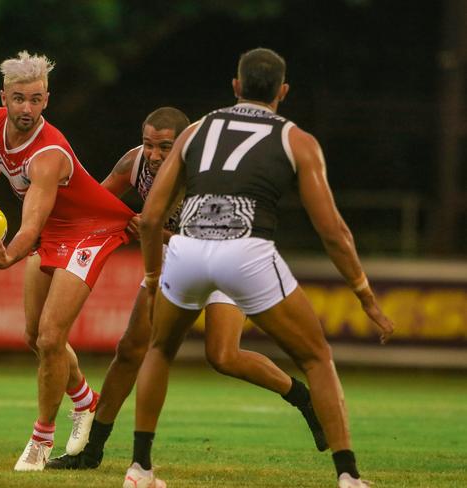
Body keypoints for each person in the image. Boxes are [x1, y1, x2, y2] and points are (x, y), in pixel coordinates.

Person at [125, 48, 395, 488]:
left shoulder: (195, 130)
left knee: (160, 350)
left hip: (189, 248)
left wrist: (154, 279)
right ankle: (348, 475)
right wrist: (364, 294)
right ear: (283, 91)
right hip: (245, 250)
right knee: (316, 356)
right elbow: (333, 231)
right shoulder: (296, 140)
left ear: (236, 86)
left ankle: (139, 469)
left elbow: (152, 217)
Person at [47, 107, 327, 471]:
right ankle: (91, 452)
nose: (154, 155)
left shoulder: (203, 174)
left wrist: (148, 228)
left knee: (223, 356)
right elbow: (97, 201)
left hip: (222, 252)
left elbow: (204, 238)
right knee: (131, 350)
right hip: (173, 258)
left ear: (182, 144)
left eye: (164, 146)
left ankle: (303, 399)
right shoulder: (134, 163)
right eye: (149, 144)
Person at [0, 51, 136, 472]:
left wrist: (6, 257)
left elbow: (29, 227)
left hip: (87, 231)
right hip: (52, 231)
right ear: (3, 98)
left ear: (46, 100)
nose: (26, 108)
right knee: (34, 336)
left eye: (35, 99)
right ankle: (86, 402)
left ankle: (41, 441)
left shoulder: (47, 156)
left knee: (51, 337)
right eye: (18, 99)